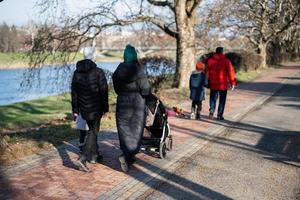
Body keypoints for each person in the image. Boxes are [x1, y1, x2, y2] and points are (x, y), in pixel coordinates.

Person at [112, 44, 151, 172]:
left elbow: (116, 88)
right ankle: (128, 155)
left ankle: (128, 156)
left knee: (124, 130)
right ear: (135, 56)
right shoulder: (139, 69)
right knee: (136, 130)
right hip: (137, 103)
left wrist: (123, 93)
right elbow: (145, 89)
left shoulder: (118, 70)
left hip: (122, 102)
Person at [71, 54, 109, 172]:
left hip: (84, 108)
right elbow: (104, 91)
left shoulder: (77, 74)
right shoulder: (98, 72)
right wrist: (105, 108)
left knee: (92, 130)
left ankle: (94, 156)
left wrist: (75, 110)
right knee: (93, 131)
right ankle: (83, 158)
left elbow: (74, 93)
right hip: (96, 107)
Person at [205, 47, 236, 120]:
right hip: (223, 84)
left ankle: (212, 110)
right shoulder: (227, 61)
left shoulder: (210, 61)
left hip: (213, 84)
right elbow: (231, 73)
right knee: (222, 100)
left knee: (213, 98)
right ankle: (219, 115)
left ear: (215, 52)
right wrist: (233, 83)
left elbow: (207, 73)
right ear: (222, 52)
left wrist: (206, 81)